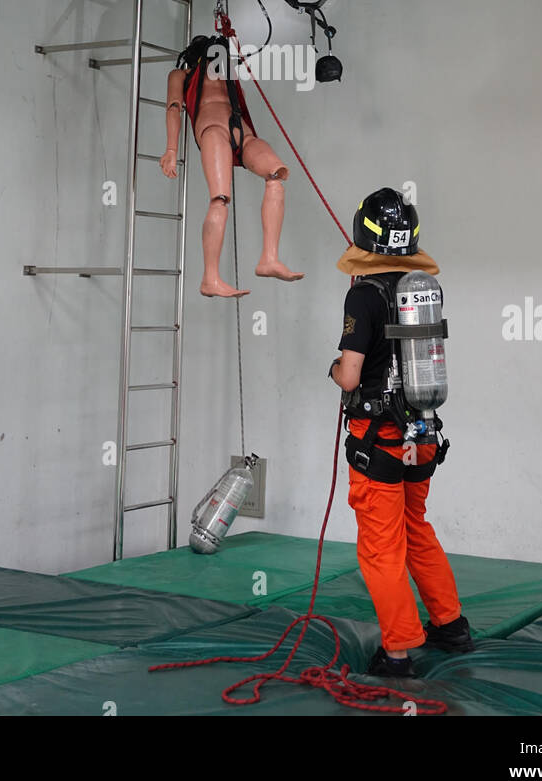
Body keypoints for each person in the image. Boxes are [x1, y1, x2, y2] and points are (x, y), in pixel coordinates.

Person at [329, 187, 474, 677]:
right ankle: (450, 625)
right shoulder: (423, 291)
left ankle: (397, 652)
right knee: (417, 530)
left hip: (378, 444)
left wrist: (334, 369)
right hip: (423, 438)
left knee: (380, 546)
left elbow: (350, 375)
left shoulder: (363, 295)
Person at [160, 33, 303, 298]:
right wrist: (171, 148)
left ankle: (269, 258)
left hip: (242, 132)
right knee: (219, 199)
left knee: (276, 175)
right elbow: (173, 108)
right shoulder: (182, 76)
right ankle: (210, 278)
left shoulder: (230, 77)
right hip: (212, 129)